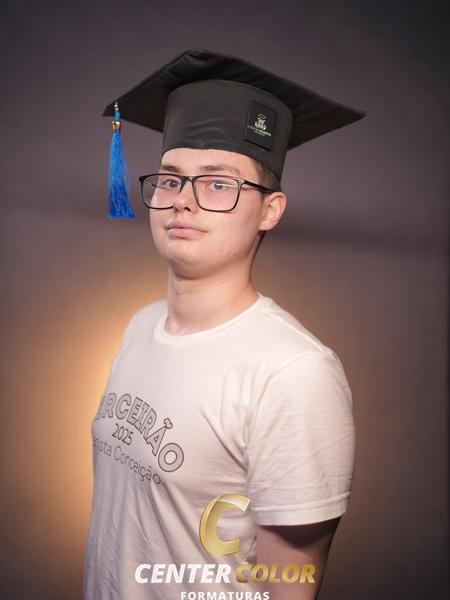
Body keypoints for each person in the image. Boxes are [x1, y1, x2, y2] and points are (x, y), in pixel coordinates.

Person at [83, 49, 365, 600]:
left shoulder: (293, 373)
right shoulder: (140, 326)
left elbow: (289, 585)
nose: (183, 203)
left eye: (218, 184)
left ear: (270, 210)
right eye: (171, 180)